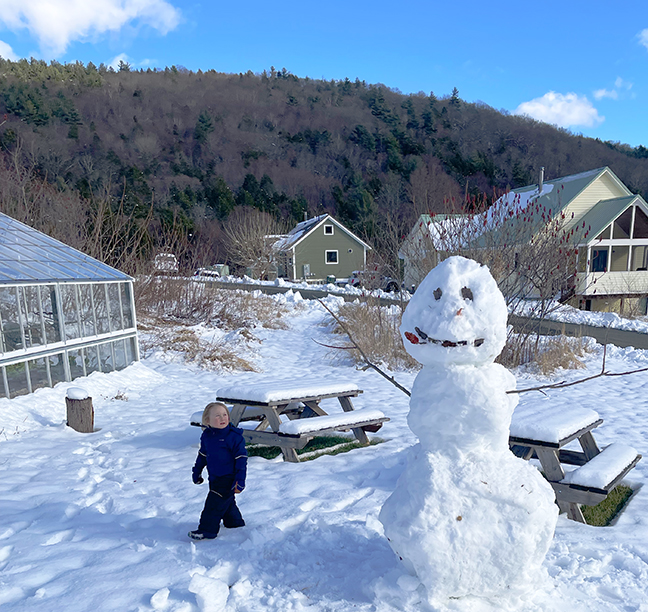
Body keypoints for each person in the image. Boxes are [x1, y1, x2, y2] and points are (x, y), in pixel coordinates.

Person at [189, 402, 247, 541]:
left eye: (225, 414)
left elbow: (241, 460)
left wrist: (240, 480)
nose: (222, 418)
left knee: (213, 504)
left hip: (228, 477)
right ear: (207, 420)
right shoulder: (207, 436)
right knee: (226, 501)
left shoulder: (234, 437)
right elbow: (203, 455)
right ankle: (234, 522)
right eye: (217, 416)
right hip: (214, 477)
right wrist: (197, 472)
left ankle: (207, 529)